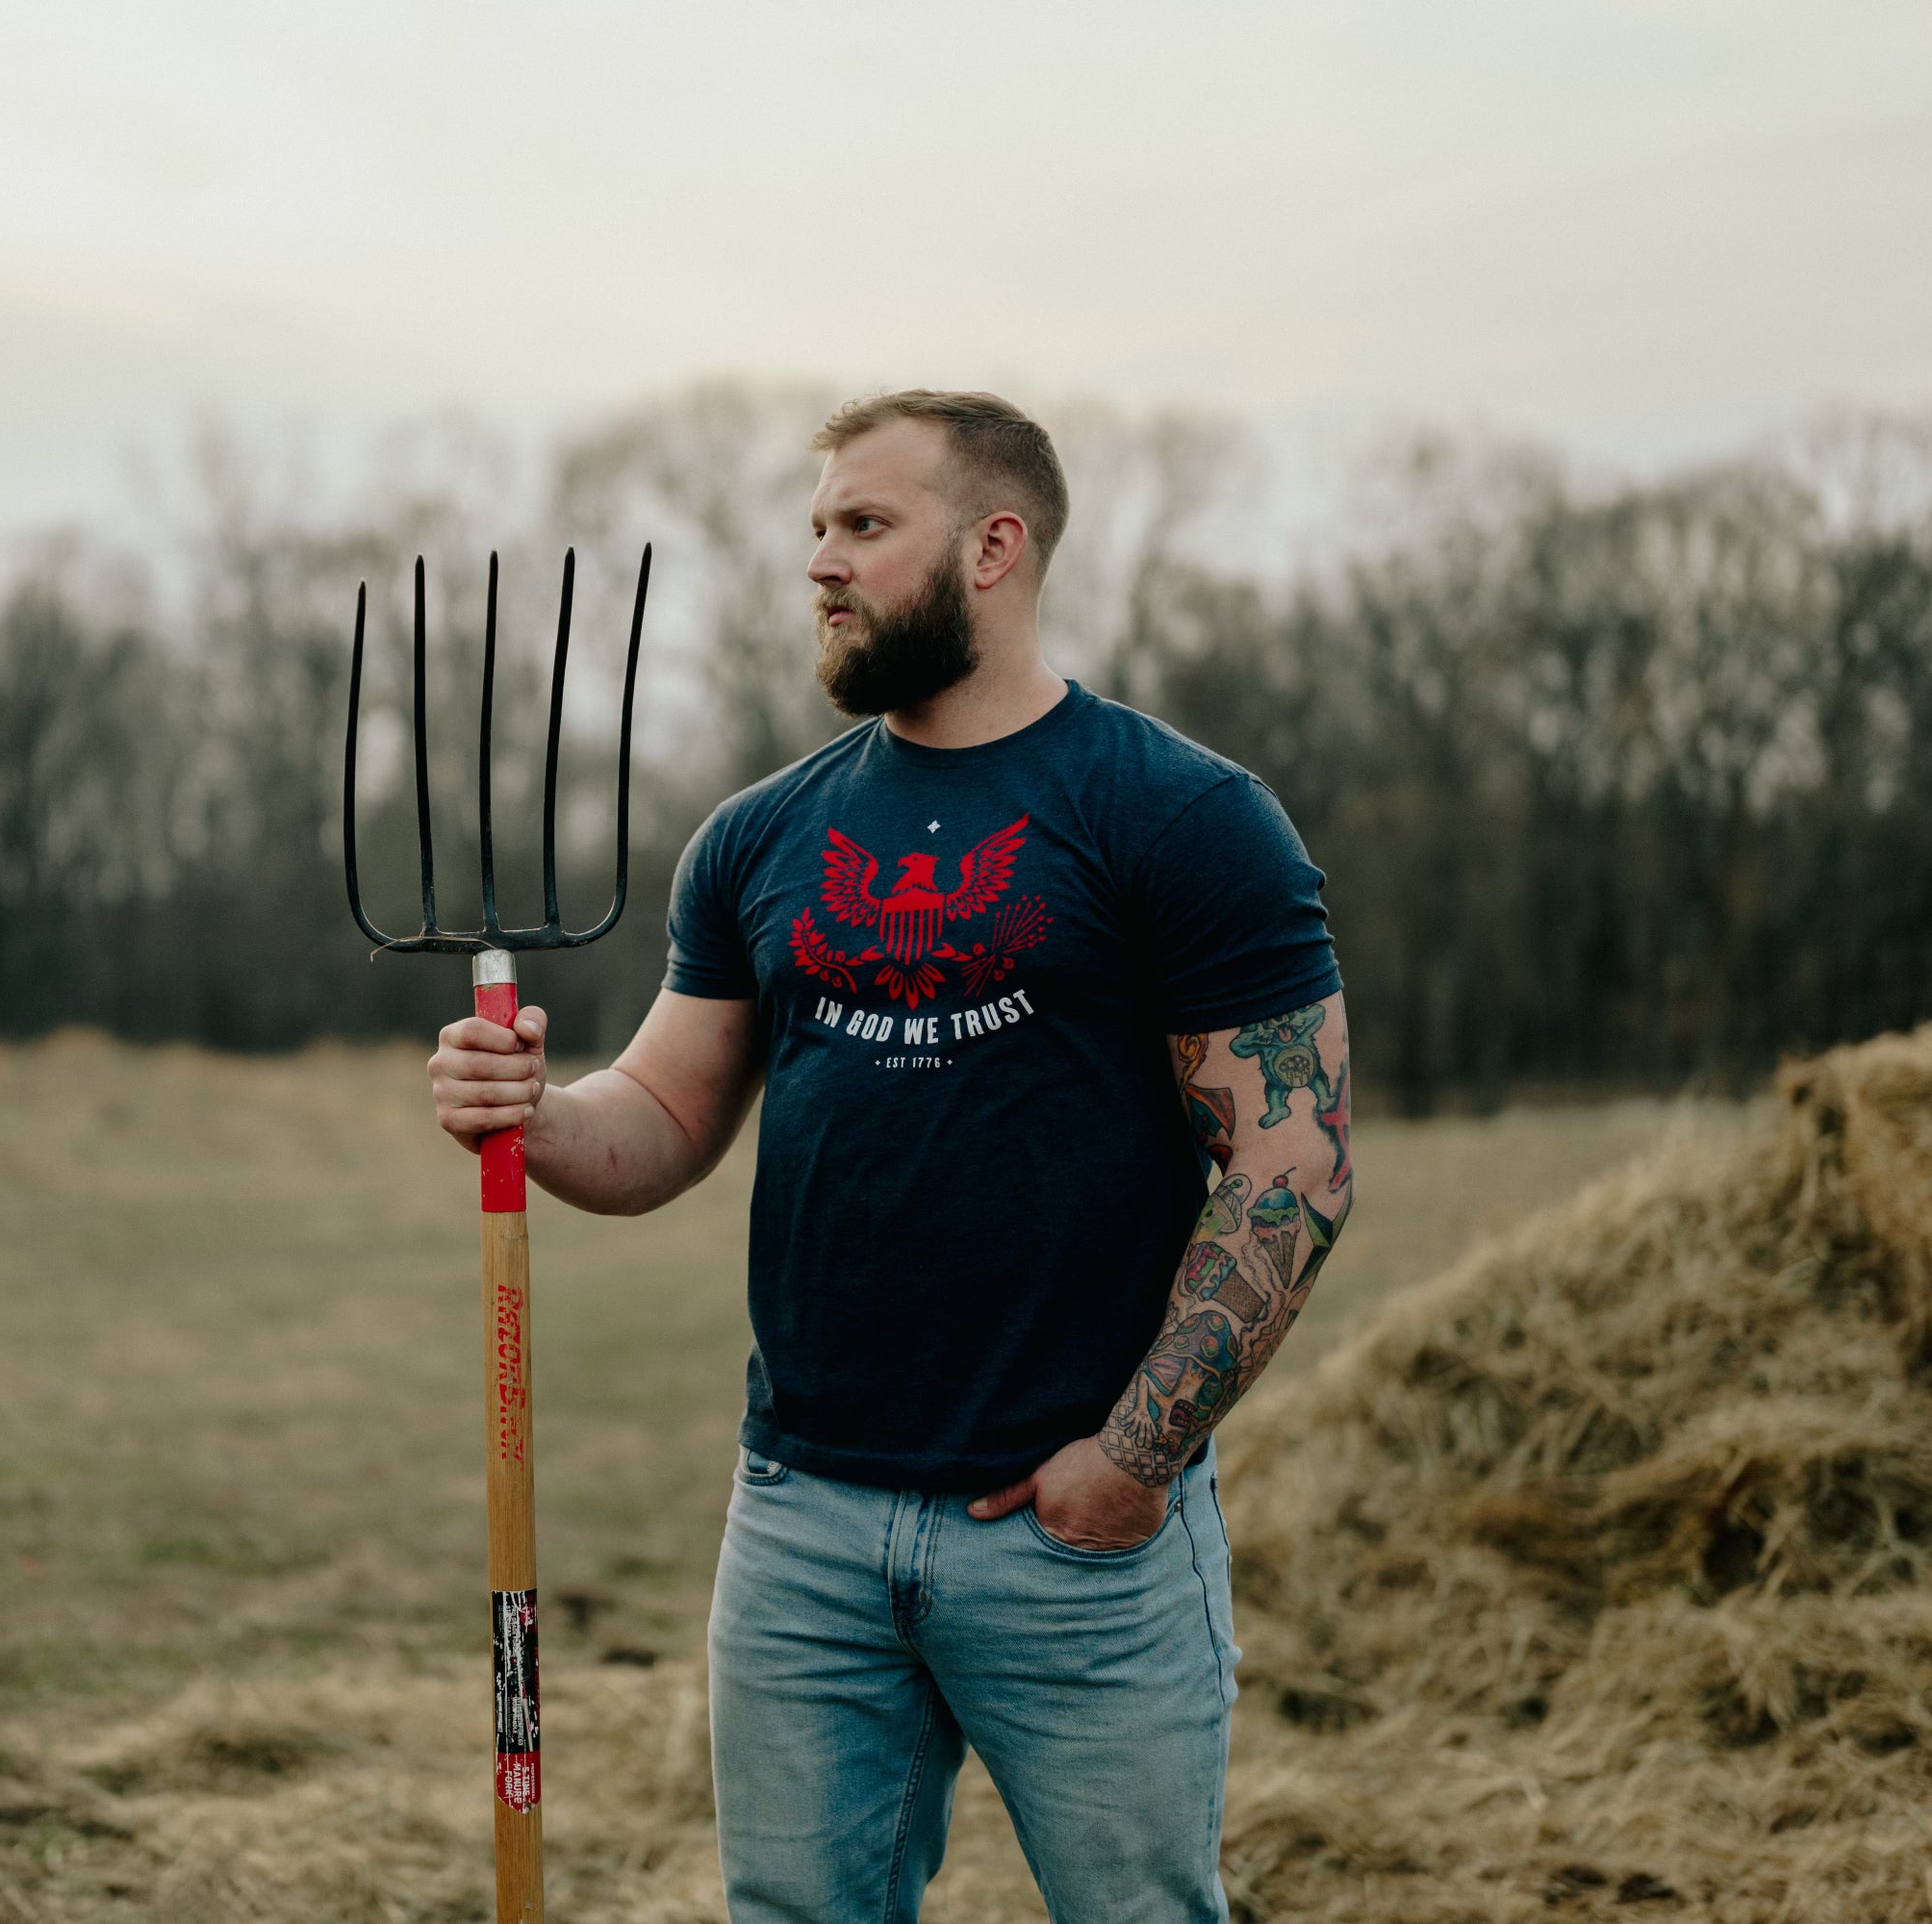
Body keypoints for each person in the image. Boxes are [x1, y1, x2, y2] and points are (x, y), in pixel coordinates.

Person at [425, 390, 1353, 1924]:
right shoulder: (761, 837)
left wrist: (1133, 1463)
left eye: (865, 524)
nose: (822, 563)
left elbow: (1292, 1166)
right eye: (816, 529)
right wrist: (531, 1109)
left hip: (1072, 1540)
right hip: (804, 1525)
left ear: (995, 547)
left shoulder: (1180, 817)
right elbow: (660, 1118)